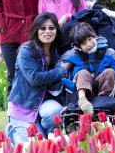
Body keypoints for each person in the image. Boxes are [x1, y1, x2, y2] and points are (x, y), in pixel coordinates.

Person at [6, 12, 68, 144]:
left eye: (51, 28)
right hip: (24, 105)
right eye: (43, 28)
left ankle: (38, 132)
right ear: (36, 30)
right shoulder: (26, 50)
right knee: (37, 149)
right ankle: (14, 131)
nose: (48, 32)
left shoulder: (56, 52)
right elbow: (34, 78)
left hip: (43, 105)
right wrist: (61, 71)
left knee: (55, 112)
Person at [61, 22, 115, 115]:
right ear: (79, 47)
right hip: (83, 91)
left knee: (110, 72)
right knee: (82, 72)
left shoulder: (108, 53)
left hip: (103, 89)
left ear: (95, 36)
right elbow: (60, 69)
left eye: (90, 39)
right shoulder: (74, 55)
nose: (89, 44)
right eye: (84, 43)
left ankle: (104, 102)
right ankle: (83, 102)